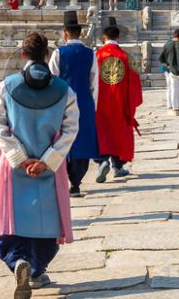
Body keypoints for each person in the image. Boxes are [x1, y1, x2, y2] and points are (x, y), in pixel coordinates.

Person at [0, 33, 79, 297]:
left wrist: (20, 159)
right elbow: (70, 129)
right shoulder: (64, 90)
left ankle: (17, 260)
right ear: (47, 55)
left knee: (11, 218)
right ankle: (36, 269)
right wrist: (47, 160)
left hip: (13, 168)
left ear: (23, 55)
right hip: (48, 168)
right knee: (46, 221)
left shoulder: (7, 86)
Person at [47, 11, 99, 198]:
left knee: (63, 138)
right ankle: (76, 182)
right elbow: (94, 82)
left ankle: (63, 177)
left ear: (65, 33)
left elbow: (51, 79)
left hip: (62, 101)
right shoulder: (90, 54)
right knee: (82, 139)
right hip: (84, 101)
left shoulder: (58, 53)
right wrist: (93, 105)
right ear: (80, 34)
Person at [94, 17, 141, 182]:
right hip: (121, 103)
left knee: (102, 132)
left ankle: (102, 161)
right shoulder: (127, 57)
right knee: (119, 133)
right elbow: (135, 85)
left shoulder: (96, 56)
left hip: (100, 103)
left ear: (103, 38)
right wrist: (132, 105)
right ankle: (118, 166)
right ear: (118, 37)